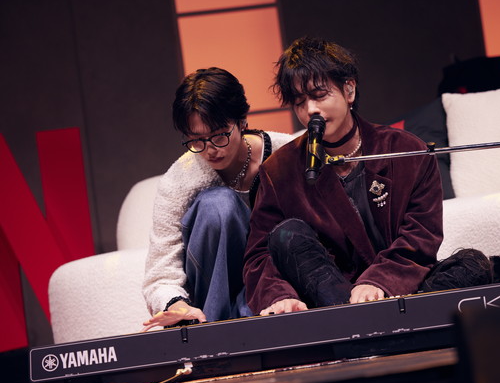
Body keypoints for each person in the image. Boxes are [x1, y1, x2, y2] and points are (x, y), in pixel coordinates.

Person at [243, 37, 445, 316]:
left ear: (349, 90)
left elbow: (422, 235)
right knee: (287, 235)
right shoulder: (279, 169)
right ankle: (356, 318)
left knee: (471, 264)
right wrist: (280, 297)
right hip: (327, 293)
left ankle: (364, 320)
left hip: (394, 286)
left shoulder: (406, 150)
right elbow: (259, 254)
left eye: (319, 95)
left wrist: (378, 282)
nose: (310, 110)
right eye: (299, 102)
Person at [141, 67, 293, 331]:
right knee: (218, 205)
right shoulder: (179, 180)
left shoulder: (285, 154)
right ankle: (214, 333)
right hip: (209, 297)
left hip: (277, 288)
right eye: (196, 140)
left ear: (242, 121)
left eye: (220, 135)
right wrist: (176, 305)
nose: (210, 149)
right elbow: (160, 273)